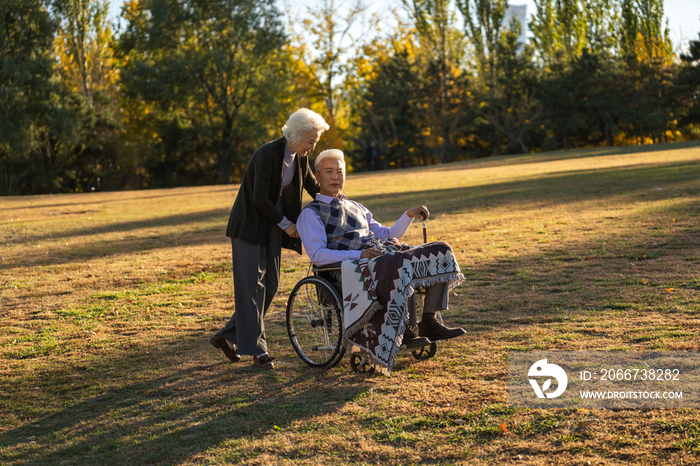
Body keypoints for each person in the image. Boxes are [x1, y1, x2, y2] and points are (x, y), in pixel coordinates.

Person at [297, 149, 466, 351]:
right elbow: (318, 255)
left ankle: (429, 321)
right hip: (348, 269)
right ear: (317, 176)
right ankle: (402, 331)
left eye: (340, 172)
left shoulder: (357, 207)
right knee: (400, 263)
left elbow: (387, 233)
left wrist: (409, 214)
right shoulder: (310, 213)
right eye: (329, 172)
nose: (335, 177)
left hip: (380, 257)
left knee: (440, 250)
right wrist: (360, 254)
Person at [210, 108, 329, 370]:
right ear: (297, 135)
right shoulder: (267, 154)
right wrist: (287, 225)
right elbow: (260, 198)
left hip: (273, 225)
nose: (313, 147)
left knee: (271, 284)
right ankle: (258, 350)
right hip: (250, 225)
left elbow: (311, 185)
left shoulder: (299, 156)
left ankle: (225, 336)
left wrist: (335, 199)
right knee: (252, 287)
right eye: (311, 141)